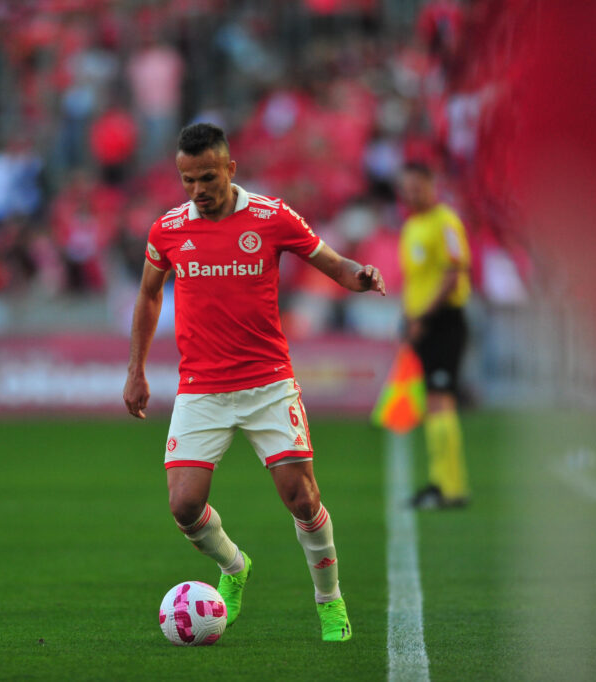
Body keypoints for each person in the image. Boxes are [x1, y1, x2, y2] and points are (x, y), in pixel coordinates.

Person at [123, 123, 386, 642]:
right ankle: (236, 566)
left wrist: (359, 275)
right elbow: (150, 295)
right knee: (183, 507)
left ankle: (329, 601)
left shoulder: (272, 217)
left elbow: (330, 261)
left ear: (229, 169)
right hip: (201, 387)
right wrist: (135, 370)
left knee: (302, 499)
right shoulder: (168, 229)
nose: (198, 189)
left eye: (206, 176)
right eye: (188, 179)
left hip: (268, 383)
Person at [397, 161, 472, 509]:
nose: (411, 194)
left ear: (431, 185)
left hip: (443, 321)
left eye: (417, 187)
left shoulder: (446, 222)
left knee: (443, 400)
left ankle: (452, 488)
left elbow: (452, 273)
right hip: (422, 322)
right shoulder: (412, 224)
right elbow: (415, 280)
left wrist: (424, 315)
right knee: (433, 402)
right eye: (406, 188)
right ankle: (441, 483)